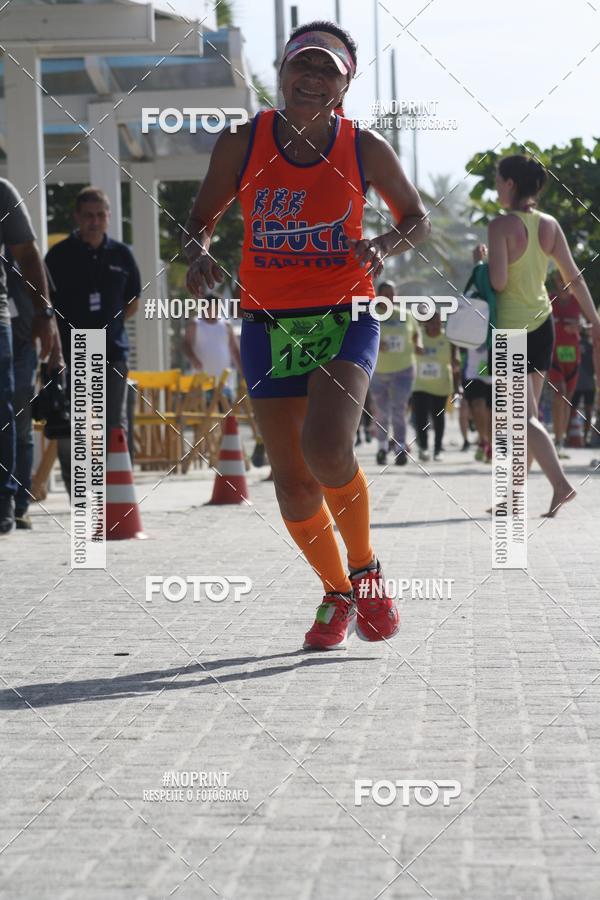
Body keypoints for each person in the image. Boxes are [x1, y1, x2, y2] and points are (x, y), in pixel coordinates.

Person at [184, 20, 430, 650]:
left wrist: (384, 242)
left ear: (345, 85)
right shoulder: (240, 143)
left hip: (345, 311)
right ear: (283, 72)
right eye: (304, 67)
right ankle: (336, 592)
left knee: (327, 448)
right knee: (292, 482)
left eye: (329, 71)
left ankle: (367, 570)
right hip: (267, 320)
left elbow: (416, 219)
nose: (314, 79)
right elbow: (201, 218)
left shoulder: (364, 147)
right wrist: (200, 252)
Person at [482, 154, 600, 516]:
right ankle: (514, 497)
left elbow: (499, 282)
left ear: (511, 184)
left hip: (511, 329)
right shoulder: (548, 225)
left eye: (499, 180)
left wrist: (485, 262)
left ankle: (561, 484)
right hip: (542, 326)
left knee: (524, 420)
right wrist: (594, 320)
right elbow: (573, 277)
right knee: (527, 417)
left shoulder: (500, 226)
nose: (497, 186)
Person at [45, 186, 141, 496]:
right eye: (88, 216)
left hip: (112, 352)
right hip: (72, 352)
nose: (95, 221)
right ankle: (80, 495)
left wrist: (109, 327)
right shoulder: (58, 256)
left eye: (101, 215)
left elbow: (133, 300)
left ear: (109, 217)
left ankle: (114, 493)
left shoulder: (122, 255)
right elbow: (46, 304)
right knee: (75, 428)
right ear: (77, 217)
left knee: (113, 425)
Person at [0, 178, 62, 534]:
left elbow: (30, 256)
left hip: (18, 341)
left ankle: (11, 501)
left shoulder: (4, 193)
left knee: (15, 421)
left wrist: (46, 320)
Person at [370, 281, 421, 465]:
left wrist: (419, 345)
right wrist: (376, 344)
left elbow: (416, 336)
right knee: (382, 412)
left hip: (403, 370)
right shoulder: (372, 315)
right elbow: (365, 338)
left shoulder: (406, 315)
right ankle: (382, 447)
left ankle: (400, 447)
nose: (390, 297)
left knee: (398, 410)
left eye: (392, 293)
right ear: (378, 295)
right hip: (379, 371)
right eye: (385, 293)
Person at [412, 309, 461, 462]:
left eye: (437, 322)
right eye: (431, 322)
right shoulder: (418, 335)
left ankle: (438, 449)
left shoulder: (448, 338)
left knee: (438, 418)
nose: (434, 325)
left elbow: (456, 364)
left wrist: (458, 386)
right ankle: (424, 448)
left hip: (441, 386)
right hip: (419, 384)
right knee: (421, 418)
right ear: (425, 323)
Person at [182, 296, 242, 407]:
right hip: (201, 382)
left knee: (225, 413)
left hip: (223, 382)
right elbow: (186, 344)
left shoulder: (226, 325)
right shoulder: (195, 324)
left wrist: (243, 371)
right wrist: (193, 358)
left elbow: (234, 349)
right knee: (201, 417)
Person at [547, 270, 581, 458]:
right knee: (558, 393)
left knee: (567, 398)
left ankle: (562, 440)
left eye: (566, 279)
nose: (563, 282)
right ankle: (557, 438)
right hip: (554, 355)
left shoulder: (578, 300)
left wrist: (579, 328)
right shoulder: (549, 299)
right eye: (560, 279)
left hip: (573, 356)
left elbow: (589, 324)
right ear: (556, 281)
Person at [462, 341, 493, 462]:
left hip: (496, 369)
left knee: (492, 412)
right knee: (477, 406)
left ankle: (490, 445)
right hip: (474, 371)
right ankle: (482, 439)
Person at [571, 325, 596, 447]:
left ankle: (568, 436)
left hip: (575, 382)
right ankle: (585, 438)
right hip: (588, 384)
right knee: (588, 411)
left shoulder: (574, 345)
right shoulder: (592, 347)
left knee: (571, 409)